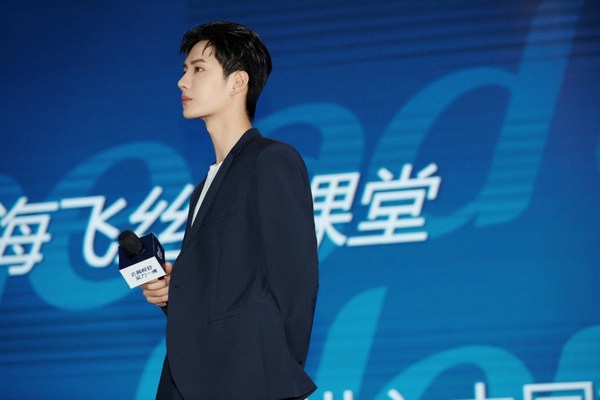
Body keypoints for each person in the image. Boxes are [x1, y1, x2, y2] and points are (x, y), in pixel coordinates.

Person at [141, 21, 319, 400]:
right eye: (185, 70)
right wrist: (174, 293)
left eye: (198, 69)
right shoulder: (203, 189)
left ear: (237, 82)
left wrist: (277, 373)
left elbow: (295, 279)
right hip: (192, 378)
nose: (182, 82)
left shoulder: (271, 159)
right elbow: (224, 291)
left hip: (246, 379)